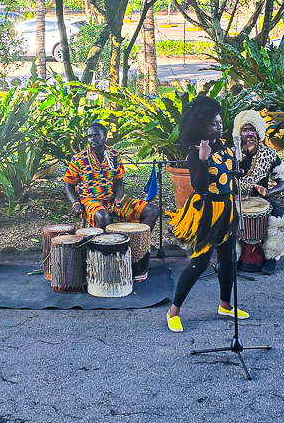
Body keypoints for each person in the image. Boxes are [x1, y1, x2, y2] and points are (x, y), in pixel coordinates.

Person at [166, 96, 248, 332]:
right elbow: (200, 186)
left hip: (228, 211)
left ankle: (225, 304)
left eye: (220, 122)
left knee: (228, 260)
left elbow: (232, 176)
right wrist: (202, 159)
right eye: (213, 123)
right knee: (199, 263)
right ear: (201, 127)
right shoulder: (195, 152)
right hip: (208, 212)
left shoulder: (226, 147)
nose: (218, 126)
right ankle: (174, 311)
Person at [63, 122, 158, 279]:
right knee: (102, 216)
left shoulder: (114, 155)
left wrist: (119, 197)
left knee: (152, 211)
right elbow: (68, 185)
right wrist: (75, 203)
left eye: (96, 135)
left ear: (105, 136)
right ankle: (108, 261)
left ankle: (136, 255)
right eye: (90, 136)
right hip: (90, 201)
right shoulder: (79, 159)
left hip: (113, 200)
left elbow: (119, 180)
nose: (92, 138)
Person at [232, 110, 284, 274]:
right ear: (240, 133)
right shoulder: (231, 154)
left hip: (262, 201)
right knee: (223, 219)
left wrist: (270, 192)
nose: (249, 134)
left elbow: (283, 182)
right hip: (235, 199)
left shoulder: (269, 154)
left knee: (281, 220)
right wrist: (233, 196)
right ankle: (231, 257)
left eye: (252, 130)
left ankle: (272, 258)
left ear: (258, 133)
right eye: (245, 130)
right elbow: (220, 181)